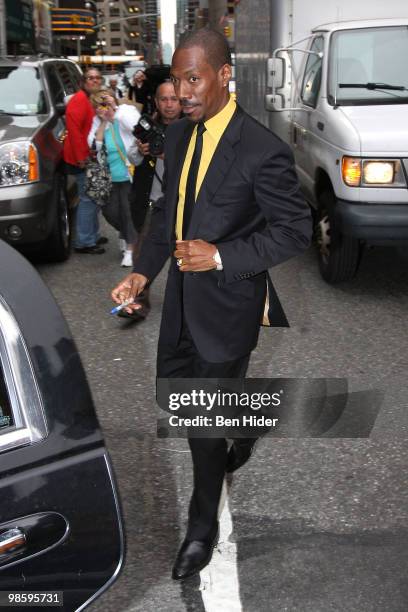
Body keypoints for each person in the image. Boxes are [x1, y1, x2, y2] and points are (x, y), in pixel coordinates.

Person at [111, 28, 312, 579]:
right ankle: (243, 423)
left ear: (226, 74)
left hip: (227, 306)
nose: (184, 90)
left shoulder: (262, 149)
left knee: (200, 418)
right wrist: (140, 275)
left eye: (194, 77)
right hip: (178, 302)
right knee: (175, 398)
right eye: (178, 78)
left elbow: (294, 231)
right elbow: (166, 220)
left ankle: (202, 528)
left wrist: (221, 256)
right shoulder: (177, 139)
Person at [123, 80, 183, 318]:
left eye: (174, 99)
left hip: (181, 204)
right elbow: (134, 160)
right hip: (151, 202)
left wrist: (170, 155)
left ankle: (188, 305)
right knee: (143, 257)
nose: (169, 105)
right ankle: (138, 302)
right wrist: (140, 149)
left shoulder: (192, 127)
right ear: (156, 102)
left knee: (184, 258)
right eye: (164, 99)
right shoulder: (147, 125)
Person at [88, 90, 141, 267]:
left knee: (128, 211)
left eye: (104, 104)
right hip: (108, 178)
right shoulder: (97, 122)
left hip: (128, 174)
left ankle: (130, 250)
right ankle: (126, 233)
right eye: (98, 106)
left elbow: (135, 128)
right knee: (109, 212)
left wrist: (115, 110)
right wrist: (103, 121)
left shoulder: (125, 112)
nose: (102, 108)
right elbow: (95, 145)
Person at [63, 67, 107, 254]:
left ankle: (92, 235)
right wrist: (82, 158)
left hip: (89, 157)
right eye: (90, 78)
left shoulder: (92, 99)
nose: (94, 81)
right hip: (81, 159)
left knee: (93, 198)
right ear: (83, 81)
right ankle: (84, 241)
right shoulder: (79, 100)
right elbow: (74, 133)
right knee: (88, 199)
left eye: (98, 78)